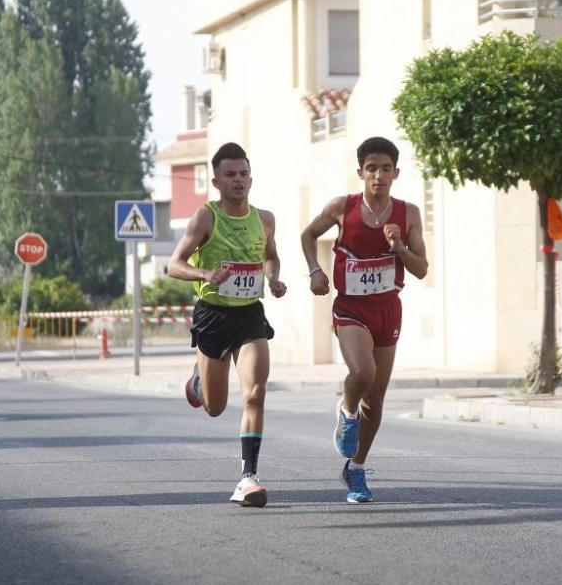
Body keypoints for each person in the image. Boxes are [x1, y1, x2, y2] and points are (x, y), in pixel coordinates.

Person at [300, 136, 428, 503]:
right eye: (371, 168)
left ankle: (355, 469)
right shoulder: (343, 207)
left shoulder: (409, 214)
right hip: (350, 308)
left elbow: (421, 270)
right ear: (361, 172)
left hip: (387, 309)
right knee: (363, 372)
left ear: (396, 173)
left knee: (377, 400)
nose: (379, 175)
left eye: (386, 169)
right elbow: (308, 234)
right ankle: (345, 410)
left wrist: (399, 247)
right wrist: (314, 270)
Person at [168, 142, 286, 507]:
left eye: (244, 174)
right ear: (216, 181)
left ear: (251, 178)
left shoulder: (264, 219)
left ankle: (248, 478)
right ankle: (199, 381)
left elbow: (271, 257)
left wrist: (275, 278)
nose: (239, 180)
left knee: (255, 393)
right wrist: (205, 273)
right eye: (231, 175)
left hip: (250, 314)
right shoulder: (205, 218)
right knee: (215, 407)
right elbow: (174, 265)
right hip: (213, 315)